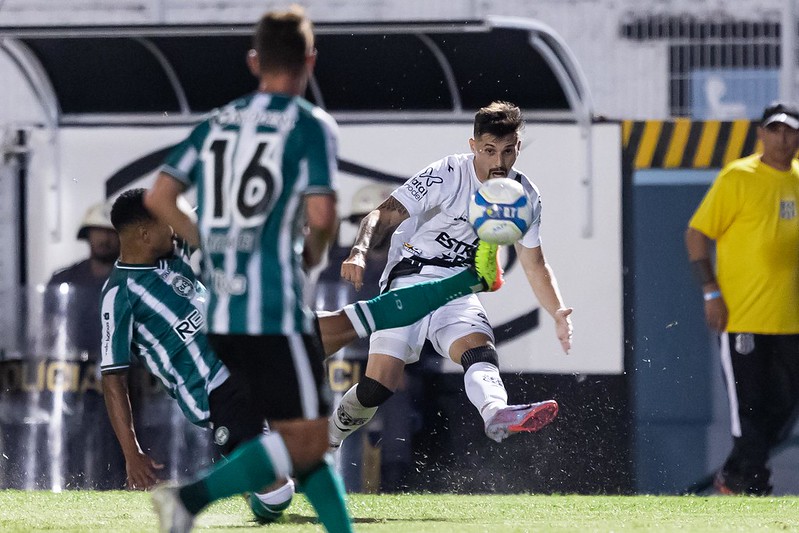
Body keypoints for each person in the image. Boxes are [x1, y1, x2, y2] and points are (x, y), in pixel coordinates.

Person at [140, 7, 497, 532]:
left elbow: (160, 196)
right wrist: (310, 256)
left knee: (305, 445)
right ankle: (190, 500)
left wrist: (213, 250)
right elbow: (322, 216)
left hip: (219, 311)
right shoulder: (309, 125)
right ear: (310, 59)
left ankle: (192, 503)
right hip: (274, 310)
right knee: (306, 442)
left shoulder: (218, 123)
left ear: (253, 60)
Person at [100, 188, 499, 522]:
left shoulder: (175, 254)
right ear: (142, 234)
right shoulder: (120, 295)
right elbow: (113, 379)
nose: (174, 231)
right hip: (215, 391)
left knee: (359, 319)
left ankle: (467, 279)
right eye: (164, 227)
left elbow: (223, 213)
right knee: (277, 496)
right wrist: (130, 452)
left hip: (255, 347)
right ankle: (222, 492)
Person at [330, 101, 573, 452]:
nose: (499, 162)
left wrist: (558, 311)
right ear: (473, 146)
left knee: (479, 350)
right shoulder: (447, 173)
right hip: (411, 278)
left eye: (508, 151)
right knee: (378, 386)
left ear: (518, 147)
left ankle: (496, 413)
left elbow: (535, 264)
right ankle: (329, 436)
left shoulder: (525, 197)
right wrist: (359, 251)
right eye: (489, 151)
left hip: (456, 288)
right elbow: (380, 216)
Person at [685, 101, 799, 496]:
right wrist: (711, 292)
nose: (782, 138)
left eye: (790, 130)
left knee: (783, 411)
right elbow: (697, 234)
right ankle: (752, 484)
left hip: (790, 318)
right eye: (775, 130)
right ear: (760, 134)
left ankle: (734, 475)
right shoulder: (740, 176)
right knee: (747, 408)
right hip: (744, 316)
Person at [42, 201, 126, 490]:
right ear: (87, 235)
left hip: (120, 376)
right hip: (72, 379)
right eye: (98, 231)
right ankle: (67, 486)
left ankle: (117, 488)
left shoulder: (131, 280)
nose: (104, 238)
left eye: (111, 232)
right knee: (69, 440)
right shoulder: (64, 279)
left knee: (115, 442)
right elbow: (49, 334)